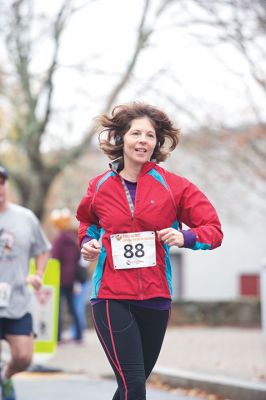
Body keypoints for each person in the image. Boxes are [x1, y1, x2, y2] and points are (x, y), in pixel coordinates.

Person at [76, 103, 223, 400]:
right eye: (136, 133)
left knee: (132, 384)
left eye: (150, 135)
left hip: (156, 298)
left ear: (157, 143)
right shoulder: (99, 186)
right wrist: (87, 244)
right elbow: (88, 223)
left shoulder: (174, 187)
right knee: (135, 386)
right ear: (121, 138)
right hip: (111, 297)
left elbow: (214, 230)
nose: (143, 140)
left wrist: (186, 237)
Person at [0, 165, 50, 400]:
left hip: (18, 300)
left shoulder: (25, 217)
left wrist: (38, 274)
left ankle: (5, 375)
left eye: (2, 182)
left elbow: (43, 249)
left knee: (23, 358)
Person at [50, 208, 83, 343]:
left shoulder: (58, 241)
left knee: (58, 309)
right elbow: (77, 260)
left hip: (59, 279)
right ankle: (79, 335)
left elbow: (54, 259)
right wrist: (76, 280)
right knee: (73, 307)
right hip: (71, 279)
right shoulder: (73, 241)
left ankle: (57, 337)